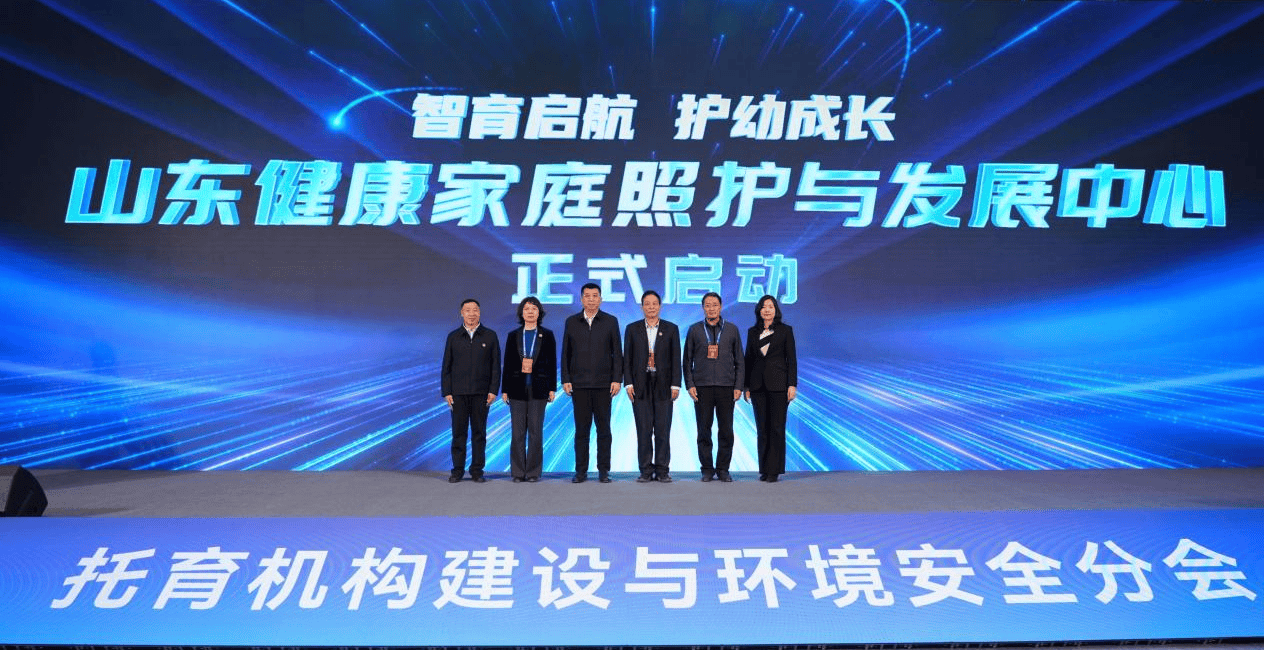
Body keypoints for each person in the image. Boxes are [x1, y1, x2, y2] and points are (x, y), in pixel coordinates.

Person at [561, 283, 622, 483]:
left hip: (604, 385)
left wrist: (617, 379)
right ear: (581, 299)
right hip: (579, 385)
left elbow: (617, 353)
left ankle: (604, 471)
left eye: (595, 295)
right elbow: (566, 353)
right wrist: (566, 379)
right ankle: (581, 471)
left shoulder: (610, 321)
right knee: (581, 431)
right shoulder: (572, 322)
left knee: (604, 430)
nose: (591, 299)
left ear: (601, 299)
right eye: (587, 296)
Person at [682, 292, 744, 482]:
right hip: (702, 387)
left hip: (726, 387)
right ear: (703, 308)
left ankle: (723, 469)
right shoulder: (694, 330)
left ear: (721, 306)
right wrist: (690, 384)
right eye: (707, 305)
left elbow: (740, 360)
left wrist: (738, 386)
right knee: (704, 430)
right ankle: (707, 469)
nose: (711, 308)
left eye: (714, 305)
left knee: (726, 430)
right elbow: (687, 361)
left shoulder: (732, 330)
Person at [623, 290, 682, 483]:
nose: (651, 307)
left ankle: (663, 470)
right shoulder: (632, 329)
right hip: (640, 385)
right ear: (642, 307)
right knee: (644, 430)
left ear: (660, 306)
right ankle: (646, 470)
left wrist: (676, 384)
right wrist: (628, 383)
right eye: (647, 304)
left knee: (663, 431)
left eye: (654, 303)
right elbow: (627, 358)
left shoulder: (671, 329)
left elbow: (676, 358)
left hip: (664, 385)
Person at [440, 298, 500, 483]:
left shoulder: (490, 336)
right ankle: (457, 470)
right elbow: (446, 366)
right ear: (462, 313)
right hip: (458, 394)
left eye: (475, 310)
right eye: (468, 310)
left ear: (479, 313)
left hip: (482, 394)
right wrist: (447, 392)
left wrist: (493, 390)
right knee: (458, 433)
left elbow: (496, 366)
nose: (471, 313)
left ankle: (477, 471)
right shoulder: (453, 337)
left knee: (479, 434)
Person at [501, 296, 556, 483]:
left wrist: (552, 388)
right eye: (526, 309)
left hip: (539, 389)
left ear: (539, 313)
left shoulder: (547, 335)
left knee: (535, 432)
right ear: (521, 313)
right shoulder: (513, 335)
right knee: (517, 434)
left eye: (534, 309)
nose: (530, 312)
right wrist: (505, 389)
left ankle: (532, 472)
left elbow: (552, 362)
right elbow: (507, 363)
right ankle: (518, 472)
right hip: (516, 389)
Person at [743, 295, 797, 482]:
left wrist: (792, 384)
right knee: (762, 429)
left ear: (776, 310)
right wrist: (746, 386)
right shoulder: (752, 332)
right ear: (759, 310)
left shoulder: (785, 331)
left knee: (776, 428)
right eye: (764, 307)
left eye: (770, 306)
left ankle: (774, 470)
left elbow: (791, 359)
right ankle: (764, 469)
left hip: (779, 386)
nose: (767, 310)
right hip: (757, 386)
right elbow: (748, 359)